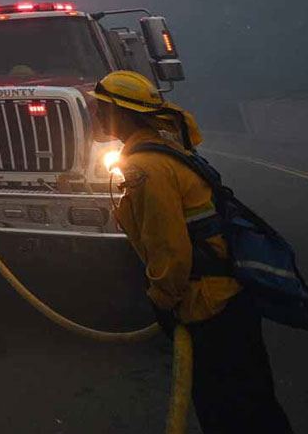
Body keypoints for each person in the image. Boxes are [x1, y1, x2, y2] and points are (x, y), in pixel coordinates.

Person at [90, 70, 292, 433]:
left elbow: (170, 249)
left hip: (209, 305)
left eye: (99, 107)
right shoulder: (163, 150)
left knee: (228, 408)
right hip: (228, 297)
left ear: (118, 113)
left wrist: (163, 298)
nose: (94, 114)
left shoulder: (145, 166)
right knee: (254, 401)